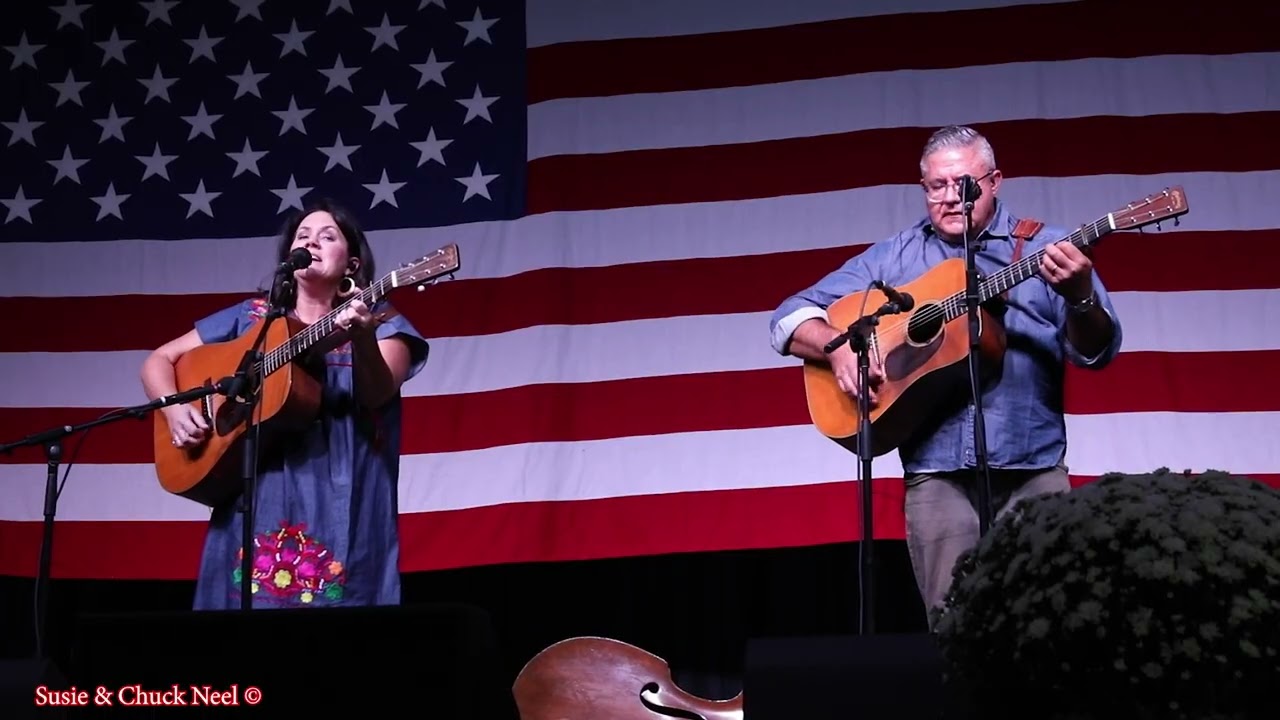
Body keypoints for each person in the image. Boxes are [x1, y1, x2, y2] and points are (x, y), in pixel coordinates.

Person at [768, 125, 1123, 626]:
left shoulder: (1047, 248)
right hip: (937, 480)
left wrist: (1081, 296)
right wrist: (838, 348)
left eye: (964, 184)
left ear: (995, 181)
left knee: (1050, 628)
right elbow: (786, 318)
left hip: (1033, 472)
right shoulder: (897, 256)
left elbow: (1097, 352)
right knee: (955, 632)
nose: (950, 198)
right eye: (936, 186)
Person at [140, 198, 430, 610]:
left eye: (328, 236)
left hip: (345, 491)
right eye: (303, 236)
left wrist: (362, 336)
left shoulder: (381, 319)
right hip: (257, 490)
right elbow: (158, 360)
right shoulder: (253, 318)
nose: (312, 242)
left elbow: (377, 393)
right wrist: (172, 409)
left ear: (350, 264)